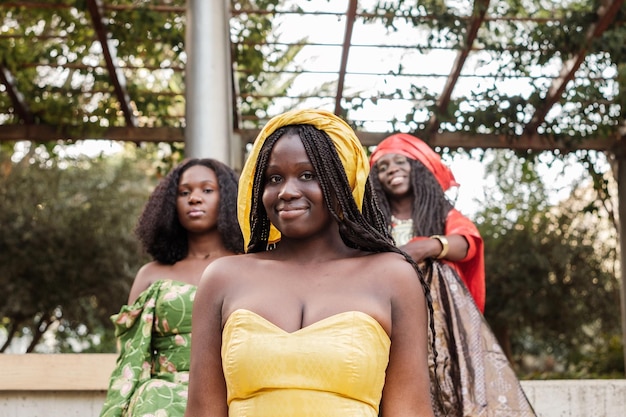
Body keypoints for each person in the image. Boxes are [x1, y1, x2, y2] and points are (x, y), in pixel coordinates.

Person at [184, 109, 437, 417]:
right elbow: (202, 411)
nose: (287, 191)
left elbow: (409, 410)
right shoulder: (222, 278)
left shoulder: (393, 277)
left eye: (308, 175)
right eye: (274, 178)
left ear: (342, 183)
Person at [369, 133, 537, 417]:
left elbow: (467, 243)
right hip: (390, 312)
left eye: (400, 161)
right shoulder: (372, 219)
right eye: (382, 167)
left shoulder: (440, 211)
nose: (391, 169)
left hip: (440, 318)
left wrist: (426, 247)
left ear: (419, 168)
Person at [100, 158, 244, 417]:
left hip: (236, 391)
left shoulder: (250, 267)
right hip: (159, 402)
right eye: (184, 192)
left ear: (228, 198)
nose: (195, 198)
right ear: (170, 205)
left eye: (207, 190)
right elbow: (131, 356)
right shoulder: (150, 274)